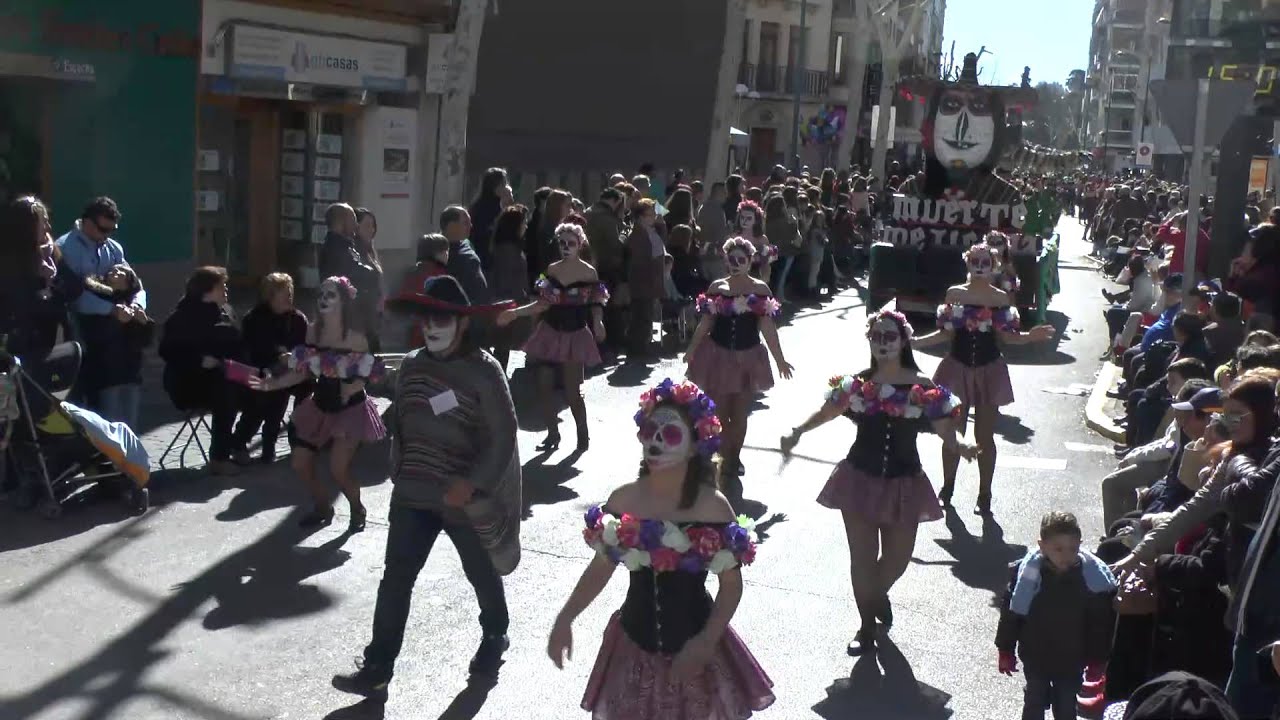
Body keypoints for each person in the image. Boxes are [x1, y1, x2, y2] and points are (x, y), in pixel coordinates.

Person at [333, 275, 519, 696]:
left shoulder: (485, 372)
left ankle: (495, 635)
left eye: (442, 319)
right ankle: (378, 665)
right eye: (426, 319)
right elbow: (405, 413)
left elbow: (504, 437)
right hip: (413, 495)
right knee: (396, 579)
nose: (432, 327)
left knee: (480, 572)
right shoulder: (414, 364)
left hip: (463, 501)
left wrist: (471, 485)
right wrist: (370, 403)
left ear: (462, 323)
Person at [548, 378, 775, 718]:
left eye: (669, 434)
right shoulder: (624, 500)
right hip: (633, 644)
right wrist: (565, 618)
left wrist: (704, 642)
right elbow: (600, 568)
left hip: (697, 649)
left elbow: (731, 586)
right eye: (650, 430)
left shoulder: (712, 507)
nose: (655, 442)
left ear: (694, 445)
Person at [781, 309, 972, 655]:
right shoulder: (857, 384)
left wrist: (962, 445)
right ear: (869, 341)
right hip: (859, 478)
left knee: (898, 559)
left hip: (905, 481)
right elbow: (827, 412)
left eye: (889, 336)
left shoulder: (923, 386)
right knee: (862, 560)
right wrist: (798, 430)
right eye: (876, 336)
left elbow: (947, 431)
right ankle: (866, 626)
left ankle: (875, 597)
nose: (882, 342)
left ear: (903, 341)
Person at [913, 241, 1055, 514]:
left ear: (993, 266)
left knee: (984, 436)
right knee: (953, 433)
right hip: (957, 366)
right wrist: (915, 342)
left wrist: (1030, 336)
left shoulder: (1000, 298)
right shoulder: (954, 293)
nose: (979, 267)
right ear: (967, 264)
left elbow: (1007, 337)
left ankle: (985, 493)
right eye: (974, 262)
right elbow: (946, 334)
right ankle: (948, 486)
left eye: (985, 263)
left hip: (989, 368)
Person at [247, 276, 385, 530]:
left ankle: (357, 507)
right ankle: (322, 506)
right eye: (321, 294)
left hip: (350, 408)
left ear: (344, 301)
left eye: (330, 295)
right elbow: (304, 370)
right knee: (300, 462)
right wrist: (272, 385)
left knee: (338, 468)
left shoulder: (357, 337)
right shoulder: (313, 331)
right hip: (320, 404)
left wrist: (354, 385)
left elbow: (371, 372)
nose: (323, 299)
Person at [685, 236, 792, 478]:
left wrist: (780, 359)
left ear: (750, 261)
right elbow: (706, 323)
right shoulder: (717, 287)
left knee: (740, 413)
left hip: (748, 357)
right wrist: (691, 349)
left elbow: (767, 329)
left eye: (741, 259)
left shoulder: (760, 289)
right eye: (731, 259)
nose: (735, 263)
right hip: (719, 355)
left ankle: (735, 457)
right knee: (719, 411)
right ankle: (720, 454)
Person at [995, 512, 1117, 720]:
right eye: (1058, 549)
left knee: (1066, 707)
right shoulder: (1027, 577)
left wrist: (1097, 659)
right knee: (1034, 702)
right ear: (1042, 546)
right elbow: (1011, 612)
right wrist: (1005, 648)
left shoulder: (1091, 581)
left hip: (1072, 659)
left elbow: (1099, 624)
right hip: (1036, 656)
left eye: (1073, 549)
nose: (1066, 556)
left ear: (1080, 544)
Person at [497, 223, 608, 451]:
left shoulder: (589, 272)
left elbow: (596, 302)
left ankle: (582, 436)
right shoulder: (551, 269)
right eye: (562, 243)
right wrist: (514, 313)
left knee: (572, 391)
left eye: (571, 243)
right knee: (543, 385)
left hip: (575, 334)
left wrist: (598, 322)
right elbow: (541, 304)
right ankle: (552, 434)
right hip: (549, 333)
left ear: (580, 245)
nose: (566, 247)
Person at [56, 196, 148, 407]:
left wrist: (137, 305)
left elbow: (136, 284)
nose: (106, 236)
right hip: (81, 328)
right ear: (87, 222)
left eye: (111, 230)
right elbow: (74, 296)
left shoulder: (113, 248)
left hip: (113, 335)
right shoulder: (66, 248)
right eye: (103, 229)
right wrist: (111, 309)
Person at [158, 267, 242, 475]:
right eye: (221, 286)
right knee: (226, 392)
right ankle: (219, 458)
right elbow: (168, 351)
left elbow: (238, 342)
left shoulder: (226, 311)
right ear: (207, 290)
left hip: (224, 373)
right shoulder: (182, 317)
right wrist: (199, 360)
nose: (225, 291)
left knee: (259, 387)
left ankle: (239, 444)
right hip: (188, 381)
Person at [231, 273, 308, 464]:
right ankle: (245, 441)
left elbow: (305, 347)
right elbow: (252, 350)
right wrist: (277, 355)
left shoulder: (297, 319)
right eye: (283, 294)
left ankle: (297, 434)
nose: (289, 297)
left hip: (292, 371)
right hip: (260, 370)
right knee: (272, 388)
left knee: (309, 386)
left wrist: (293, 357)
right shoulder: (255, 318)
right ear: (270, 296)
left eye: (290, 292)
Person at [78, 263, 153, 429]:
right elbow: (95, 335)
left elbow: (144, 341)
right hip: (106, 374)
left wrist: (144, 323)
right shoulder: (98, 300)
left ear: (129, 282)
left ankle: (126, 455)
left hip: (131, 373)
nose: (115, 271)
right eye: (113, 270)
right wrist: (116, 320)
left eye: (122, 271)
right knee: (109, 425)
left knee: (129, 424)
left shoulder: (133, 304)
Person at [318, 203, 381, 335]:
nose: (356, 225)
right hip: (343, 315)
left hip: (354, 313)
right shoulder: (335, 247)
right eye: (353, 220)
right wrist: (371, 271)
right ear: (342, 221)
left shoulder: (345, 245)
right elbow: (356, 272)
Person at [488, 205, 531, 371]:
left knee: (503, 346)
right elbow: (508, 279)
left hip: (508, 301)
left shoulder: (509, 247)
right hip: (507, 302)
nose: (525, 226)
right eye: (523, 223)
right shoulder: (508, 251)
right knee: (502, 346)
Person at [626, 199, 666, 360]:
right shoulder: (637, 233)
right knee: (641, 315)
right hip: (643, 278)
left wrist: (660, 220)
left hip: (652, 276)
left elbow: (662, 240)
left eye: (654, 214)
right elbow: (639, 259)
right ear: (641, 217)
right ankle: (638, 349)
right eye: (650, 214)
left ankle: (643, 346)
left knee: (646, 313)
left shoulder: (652, 229)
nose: (654, 217)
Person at [440, 205, 491, 304]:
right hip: (461, 310)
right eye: (465, 223)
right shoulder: (439, 249)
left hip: (479, 308)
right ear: (451, 226)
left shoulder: (466, 243)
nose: (471, 226)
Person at [352, 207, 385, 352]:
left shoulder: (370, 251)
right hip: (360, 316)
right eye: (367, 225)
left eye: (373, 225)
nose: (371, 230)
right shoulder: (354, 252)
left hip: (373, 314)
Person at [468, 167, 508, 268]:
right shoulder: (481, 208)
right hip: (485, 261)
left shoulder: (500, 205)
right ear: (494, 186)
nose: (505, 187)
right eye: (502, 184)